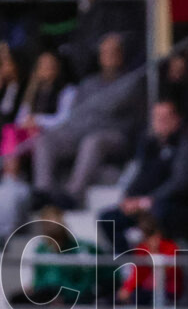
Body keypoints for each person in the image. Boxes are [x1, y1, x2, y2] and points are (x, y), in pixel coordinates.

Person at [32, 33, 146, 204]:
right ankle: (43, 192)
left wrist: (89, 110)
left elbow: (110, 105)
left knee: (92, 141)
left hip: (115, 136)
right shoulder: (89, 83)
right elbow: (75, 113)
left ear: (121, 54)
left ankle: (72, 194)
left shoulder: (131, 80)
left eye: (113, 52)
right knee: (45, 139)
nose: (108, 56)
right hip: (81, 131)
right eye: (104, 52)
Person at [98, 99, 188, 254]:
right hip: (145, 204)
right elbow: (138, 174)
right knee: (108, 219)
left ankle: (166, 261)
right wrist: (129, 197)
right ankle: (128, 261)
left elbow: (180, 183)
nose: (160, 122)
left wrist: (147, 200)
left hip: (173, 206)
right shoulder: (149, 146)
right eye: (157, 117)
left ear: (176, 119)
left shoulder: (186, 147)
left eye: (165, 117)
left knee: (160, 213)